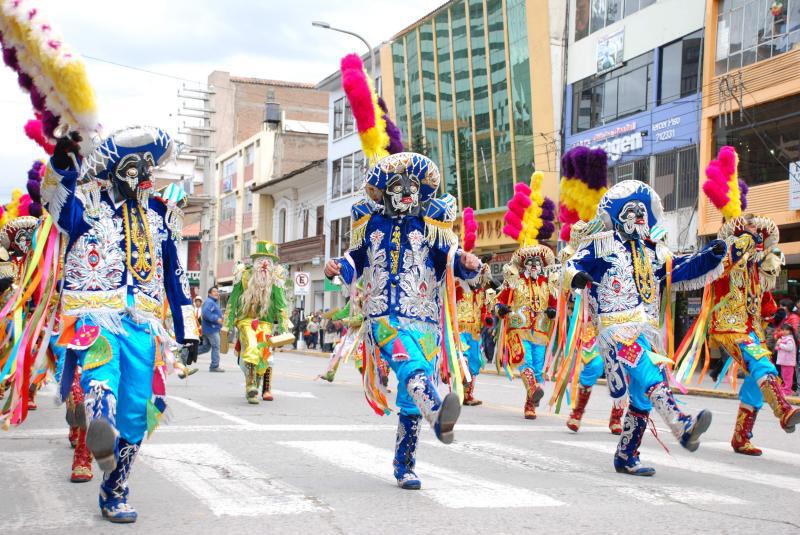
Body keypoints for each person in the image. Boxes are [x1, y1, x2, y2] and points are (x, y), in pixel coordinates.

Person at [44, 127, 198, 522]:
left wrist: (188, 330)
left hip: (143, 325)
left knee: (138, 410)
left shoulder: (159, 216)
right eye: (134, 167)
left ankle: (114, 484)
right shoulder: (85, 206)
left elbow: (174, 274)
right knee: (102, 379)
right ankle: (98, 428)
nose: (143, 176)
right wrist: (64, 160)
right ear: (113, 171)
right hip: (95, 316)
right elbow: (53, 200)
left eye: (148, 167)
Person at [567, 179, 727, 476]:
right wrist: (577, 277)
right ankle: (682, 425)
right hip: (616, 331)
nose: (638, 216)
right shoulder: (602, 245)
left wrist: (711, 255)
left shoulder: (654, 252)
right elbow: (571, 264)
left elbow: (680, 268)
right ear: (617, 217)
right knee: (649, 374)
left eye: (642, 212)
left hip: (644, 333)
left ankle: (626, 456)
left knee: (641, 396)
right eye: (630, 211)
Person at [701, 146, 797, 457]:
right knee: (761, 363)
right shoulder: (725, 258)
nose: (757, 237)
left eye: (759, 233)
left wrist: (775, 314)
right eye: (751, 232)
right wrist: (732, 251)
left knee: (755, 384)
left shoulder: (756, 269)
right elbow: (716, 270)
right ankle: (783, 410)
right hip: (729, 327)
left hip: (750, 329)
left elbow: (763, 298)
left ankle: (741, 438)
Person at [225, 241, 292, 403]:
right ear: (254, 262)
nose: (264, 264)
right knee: (252, 346)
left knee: (265, 355)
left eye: (268, 261)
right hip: (245, 320)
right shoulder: (244, 276)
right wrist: (227, 323)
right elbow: (233, 300)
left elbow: (281, 304)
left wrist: (284, 328)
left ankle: (258, 386)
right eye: (261, 259)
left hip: (265, 323)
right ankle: (250, 386)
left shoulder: (275, 280)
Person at [198, 286, 224, 372]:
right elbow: (206, 314)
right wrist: (217, 319)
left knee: (205, 347)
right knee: (216, 346)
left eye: (217, 291)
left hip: (208, 329)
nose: (216, 293)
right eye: (214, 291)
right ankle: (214, 366)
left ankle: (185, 355)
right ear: (209, 294)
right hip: (211, 329)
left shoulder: (212, 302)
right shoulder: (210, 302)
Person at [775, 324, 797, 395]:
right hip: (784, 361)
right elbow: (778, 347)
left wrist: (780, 344)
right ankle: (785, 388)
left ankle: (788, 390)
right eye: (783, 330)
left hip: (788, 362)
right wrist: (778, 344)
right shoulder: (783, 338)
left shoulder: (790, 339)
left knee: (788, 377)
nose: (784, 331)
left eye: (786, 330)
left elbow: (790, 348)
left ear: (790, 331)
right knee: (784, 376)